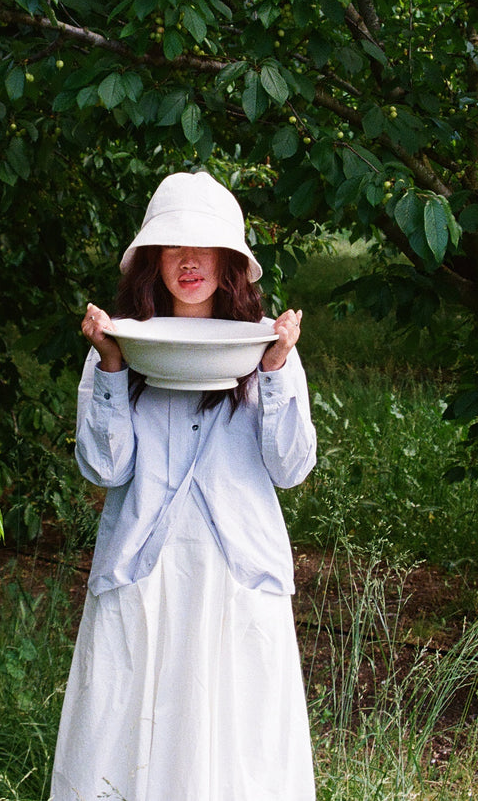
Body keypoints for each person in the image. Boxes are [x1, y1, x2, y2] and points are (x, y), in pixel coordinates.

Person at [51, 171, 318, 801]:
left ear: (231, 261)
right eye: (174, 246)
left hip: (236, 572)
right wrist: (113, 369)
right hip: (145, 571)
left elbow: (291, 468)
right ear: (153, 258)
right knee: (130, 735)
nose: (189, 261)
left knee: (235, 745)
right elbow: (105, 469)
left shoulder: (265, 346)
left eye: (204, 247)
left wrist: (275, 369)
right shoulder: (118, 344)